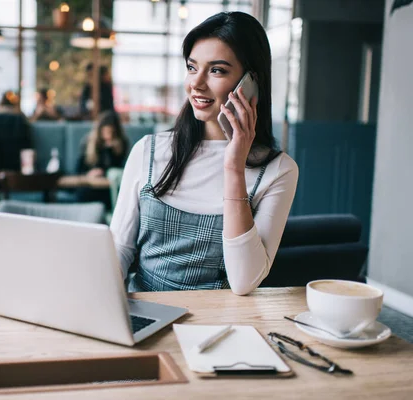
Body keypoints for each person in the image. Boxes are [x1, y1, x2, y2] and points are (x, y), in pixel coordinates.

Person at [110, 12, 298, 295]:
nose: (196, 84)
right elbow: (119, 250)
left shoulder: (278, 170)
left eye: (217, 70)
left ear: (250, 82)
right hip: (144, 313)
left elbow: (244, 280)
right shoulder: (148, 150)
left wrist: (234, 167)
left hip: (217, 325)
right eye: (191, 67)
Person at [76, 111, 128, 209]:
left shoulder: (122, 143)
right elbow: (78, 169)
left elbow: (118, 170)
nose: (108, 136)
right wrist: (89, 173)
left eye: (111, 133)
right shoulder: (88, 143)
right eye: (105, 132)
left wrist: (111, 150)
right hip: (91, 186)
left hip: (109, 187)